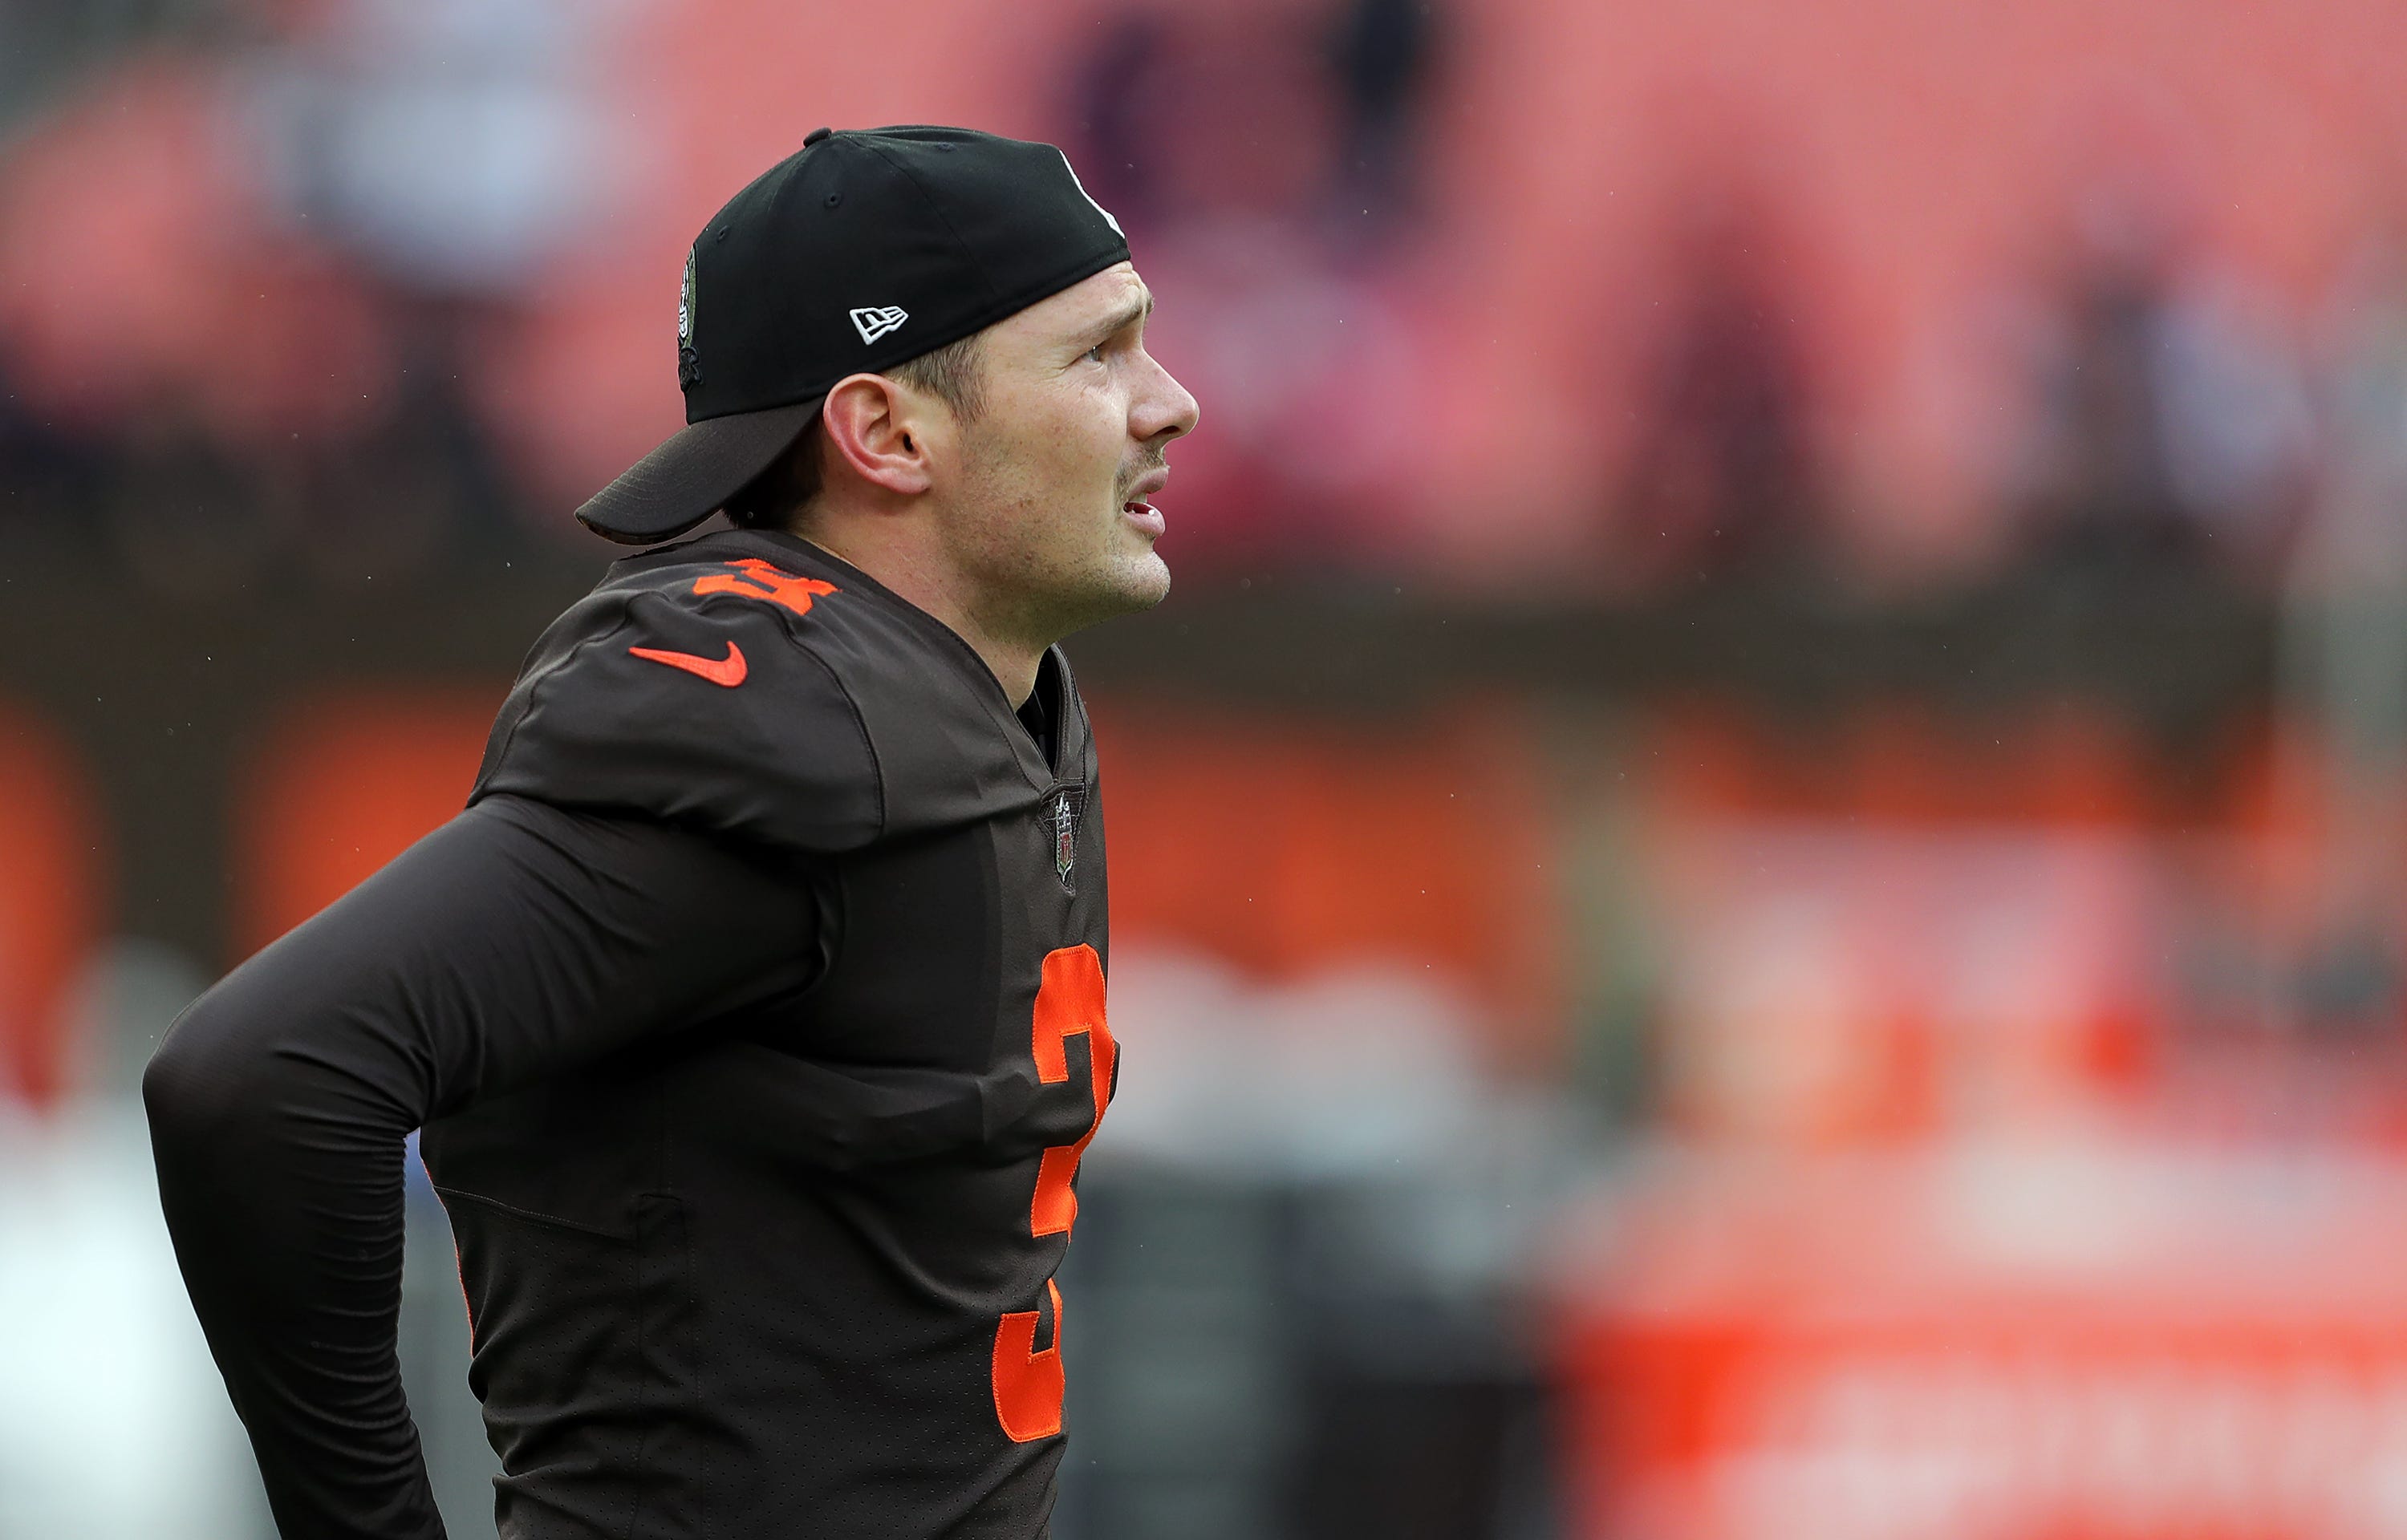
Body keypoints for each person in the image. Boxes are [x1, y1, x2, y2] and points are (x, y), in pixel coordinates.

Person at [143, 124, 1199, 1539]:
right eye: (1097, 355)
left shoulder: (980, 690)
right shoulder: (779, 717)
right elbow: (257, 1080)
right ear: (888, 433)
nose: (1170, 403)